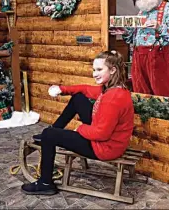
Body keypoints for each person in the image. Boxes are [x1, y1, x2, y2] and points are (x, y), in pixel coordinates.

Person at [21, 50, 135, 195]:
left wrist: (80, 129)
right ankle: (53, 132)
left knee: (49, 134)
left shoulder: (112, 98)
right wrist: (62, 89)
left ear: (113, 70)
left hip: (104, 148)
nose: (95, 74)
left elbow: (101, 134)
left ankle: (45, 183)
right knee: (78, 98)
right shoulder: (112, 89)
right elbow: (85, 89)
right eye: (94, 69)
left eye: (99, 69)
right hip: (108, 139)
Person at [110, 0, 169, 98]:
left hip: (161, 60)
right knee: (141, 95)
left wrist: (159, 27)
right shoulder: (141, 12)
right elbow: (132, 38)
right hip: (139, 58)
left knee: (165, 97)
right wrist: (124, 32)